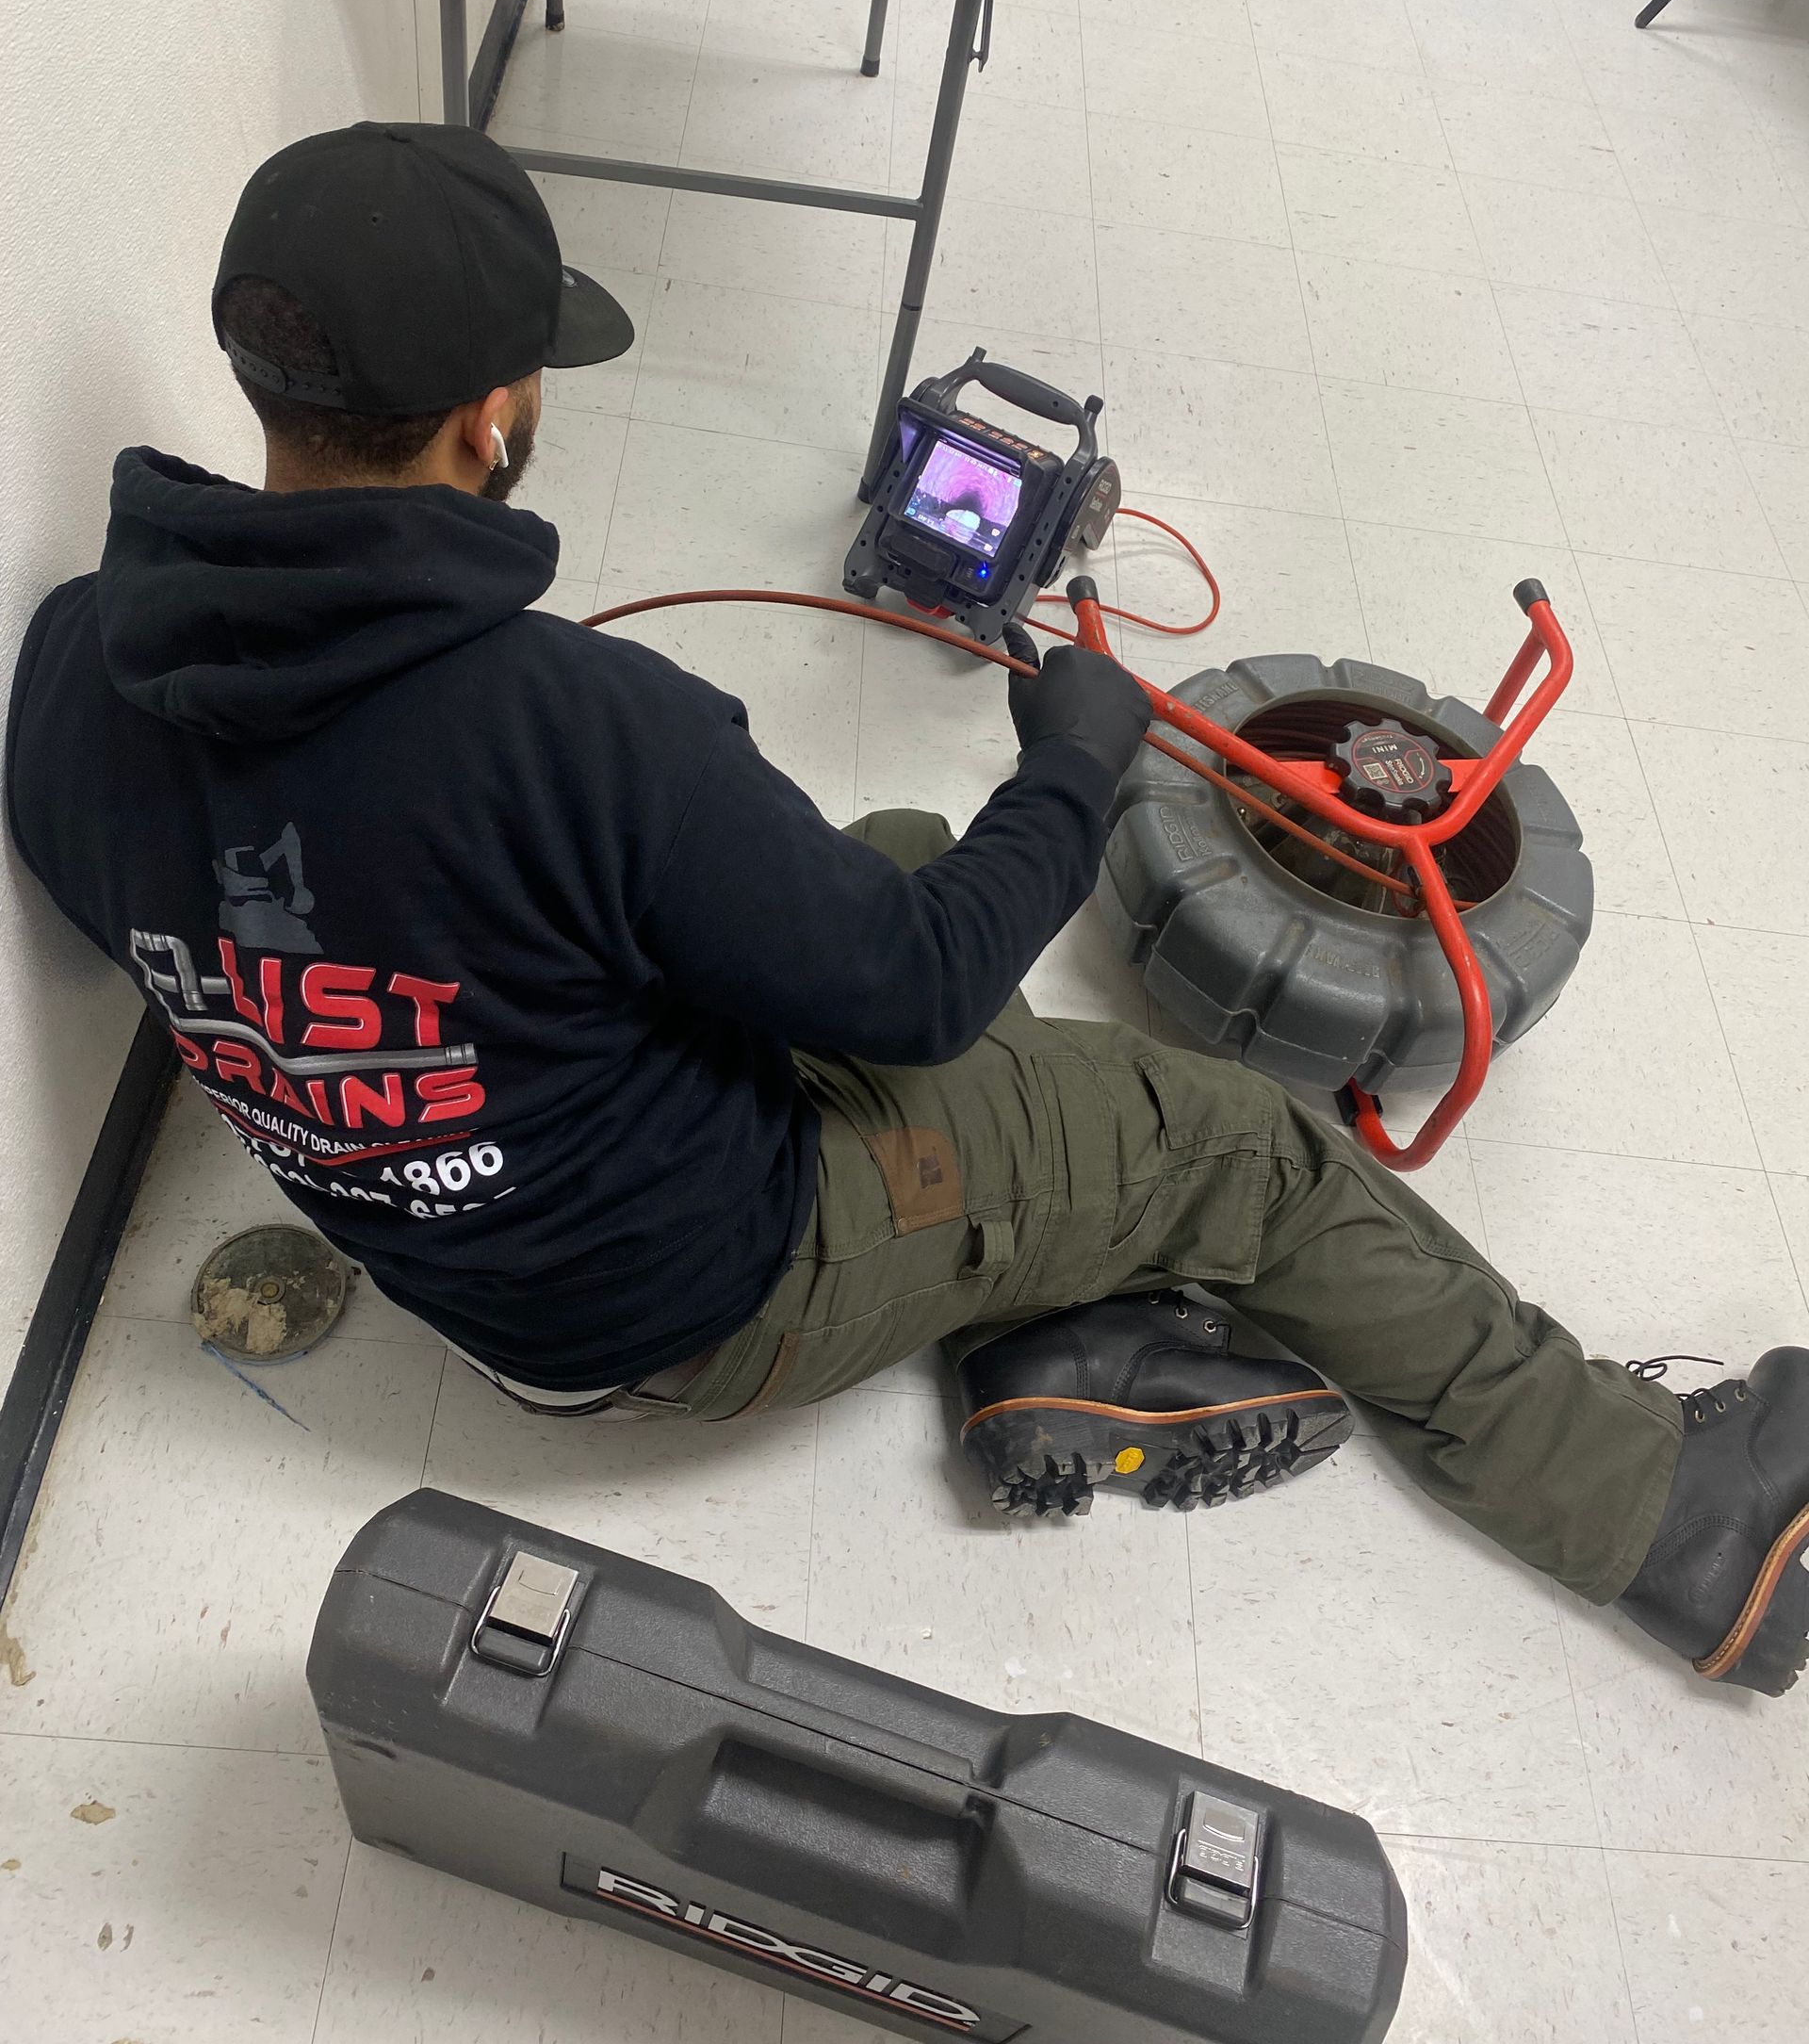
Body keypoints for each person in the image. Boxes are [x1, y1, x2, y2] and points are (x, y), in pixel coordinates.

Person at [8, 122, 1807, 1703]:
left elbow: (280, 916)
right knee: (1248, 1147)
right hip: (709, 1290)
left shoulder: (75, 676)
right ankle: (1674, 1521)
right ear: (494, 415)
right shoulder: (575, 728)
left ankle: (1050, 1322)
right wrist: (1077, 763)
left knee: (869, 833)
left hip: (464, 1256)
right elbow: (927, 989)